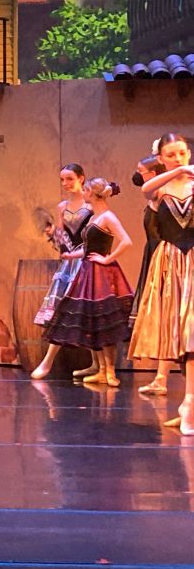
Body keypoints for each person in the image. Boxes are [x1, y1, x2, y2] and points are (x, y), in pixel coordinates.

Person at [32, 178, 134, 386]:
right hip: (88, 270)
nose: (84, 194)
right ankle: (102, 370)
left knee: (106, 320)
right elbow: (87, 247)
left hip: (102, 273)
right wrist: (70, 256)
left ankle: (110, 372)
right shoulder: (94, 218)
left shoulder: (108, 217)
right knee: (94, 319)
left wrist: (107, 258)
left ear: (91, 193)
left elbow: (126, 241)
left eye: (86, 190)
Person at [129, 133, 194, 434]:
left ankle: (189, 404)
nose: (179, 159)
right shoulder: (159, 189)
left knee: (191, 332)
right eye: (172, 155)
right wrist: (176, 172)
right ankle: (186, 404)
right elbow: (146, 188)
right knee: (178, 334)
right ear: (162, 159)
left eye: (182, 153)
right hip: (170, 262)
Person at [33, 163, 99, 378]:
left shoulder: (91, 205)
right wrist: (54, 234)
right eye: (62, 180)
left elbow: (97, 235)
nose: (65, 184)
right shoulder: (62, 206)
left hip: (87, 261)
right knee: (62, 309)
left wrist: (80, 253)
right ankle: (47, 362)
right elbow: (64, 238)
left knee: (87, 311)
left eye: (69, 178)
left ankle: (97, 364)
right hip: (70, 264)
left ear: (81, 178)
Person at [129, 154, 171, 396]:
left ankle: (162, 378)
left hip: (165, 257)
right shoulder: (157, 193)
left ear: (153, 175)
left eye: (141, 171)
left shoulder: (161, 194)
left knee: (171, 317)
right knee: (167, 319)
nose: (138, 176)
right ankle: (161, 378)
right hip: (156, 257)